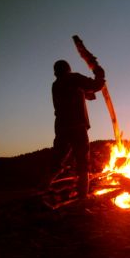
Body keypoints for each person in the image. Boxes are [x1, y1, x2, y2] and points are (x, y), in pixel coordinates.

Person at [51, 59, 105, 199]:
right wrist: (99, 74)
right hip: (77, 127)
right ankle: (82, 199)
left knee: (57, 161)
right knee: (83, 163)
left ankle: (42, 189)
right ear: (68, 69)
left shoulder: (56, 85)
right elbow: (95, 85)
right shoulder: (73, 78)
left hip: (62, 127)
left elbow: (85, 93)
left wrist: (88, 92)